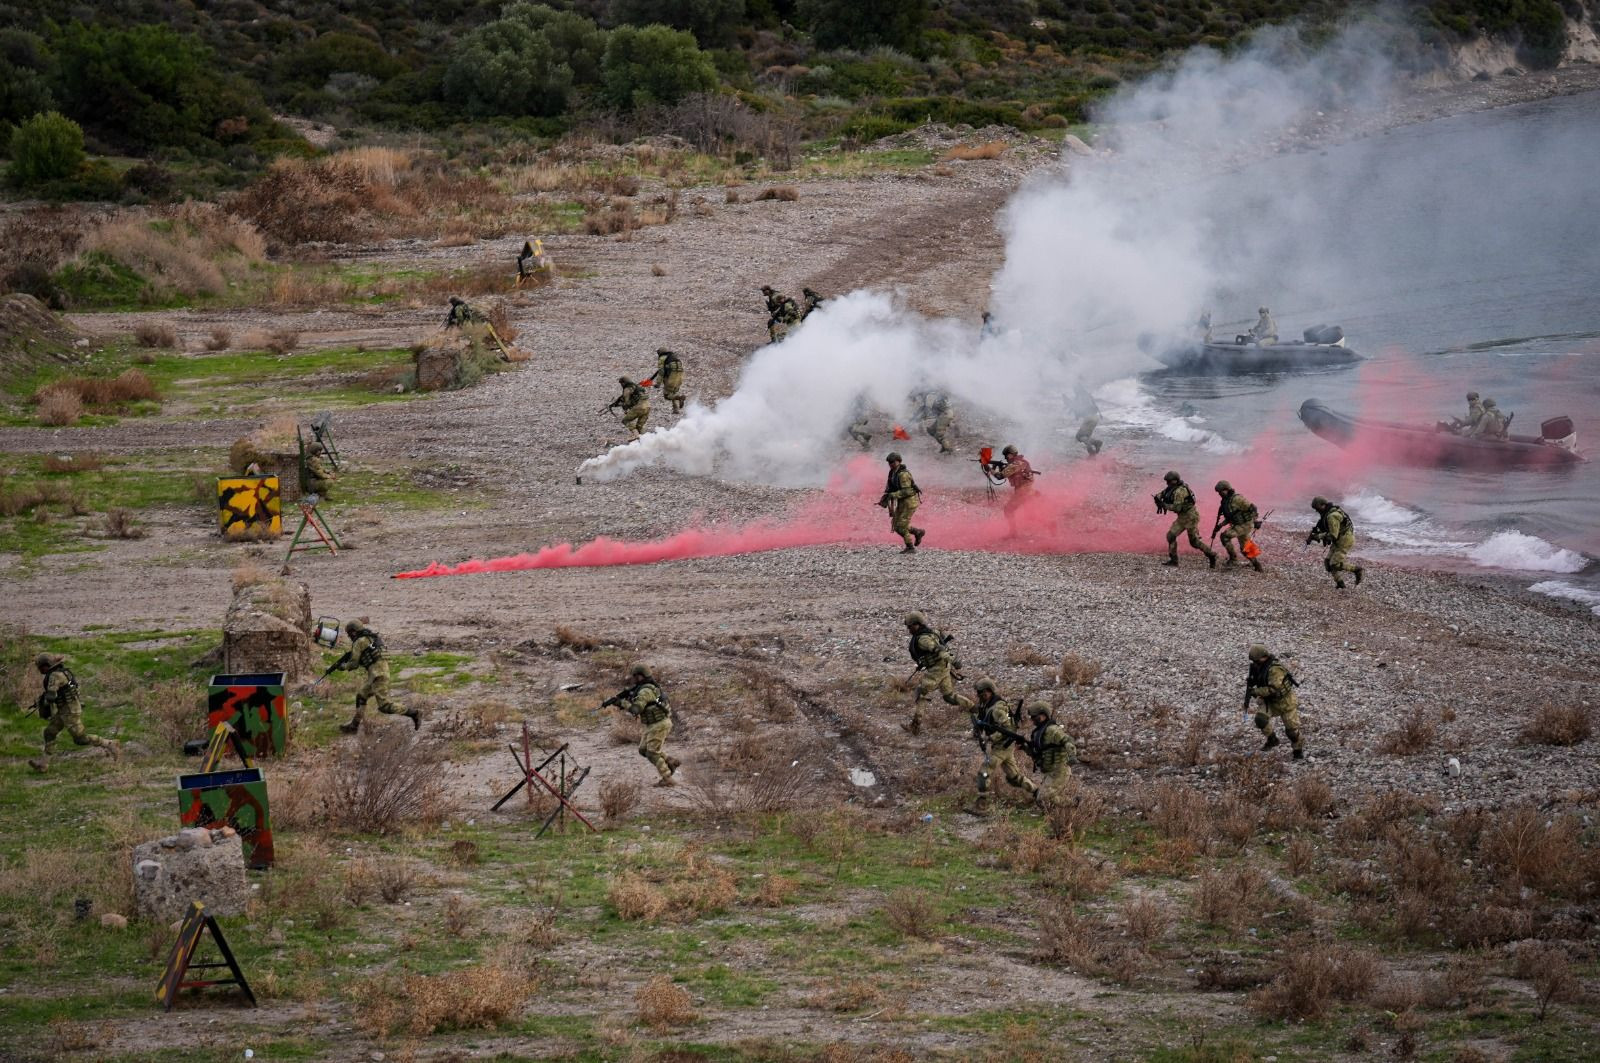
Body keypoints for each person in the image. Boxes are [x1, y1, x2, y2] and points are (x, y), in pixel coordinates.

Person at [28, 653, 117, 772]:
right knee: (49, 732)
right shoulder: (64, 671)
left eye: (40, 667)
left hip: (69, 711)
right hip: (66, 709)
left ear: (46, 666)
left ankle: (109, 744)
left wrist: (42, 703)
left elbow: (51, 696)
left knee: (80, 739)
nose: (39, 670)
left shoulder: (54, 676)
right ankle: (43, 764)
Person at [335, 620, 419, 733]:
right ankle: (354, 726)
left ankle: (414, 713)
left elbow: (354, 664)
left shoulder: (359, 642)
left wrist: (343, 667)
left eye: (349, 634)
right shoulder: (371, 637)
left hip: (377, 675)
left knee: (384, 706)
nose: (349, 636)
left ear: (353, 632)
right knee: (361, 696)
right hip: (379, 672)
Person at [967, 677, 1036, 812]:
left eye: (981, 693)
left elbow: (1008, 729)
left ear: (988, 691)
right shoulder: (986, 705)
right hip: (1003, 746)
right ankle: (1037, 792)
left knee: (983, 773)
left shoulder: (997, 709)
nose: (978, 695)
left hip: (1002, 747)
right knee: (1014, 777)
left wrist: (989, 738)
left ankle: (983, 805)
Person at [605, 665, 679, 786]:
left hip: (659, 724)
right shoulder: (644, 687)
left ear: (640, 676)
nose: (633, 679)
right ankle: (671, 761)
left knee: (652, 753)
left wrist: (621, 703)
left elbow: (635, 709)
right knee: (643, 750)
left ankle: (667, 778)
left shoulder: (645, 691)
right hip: (652, 724)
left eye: (635, 676)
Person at [902, 612, 969, 735]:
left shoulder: (923, 639)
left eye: (910, 626)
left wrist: (953, 661)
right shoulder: (931, 632)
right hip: (943, 668)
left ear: (917, 625)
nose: (909, 629)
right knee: (949, 697)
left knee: (921, 693)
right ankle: (973, 708)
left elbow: (939, 650)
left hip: (937, 670)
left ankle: (915, 726)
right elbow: (940, 645)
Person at [1246, 645, 1304, 760]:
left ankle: (1298, 751)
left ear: (1263, 657)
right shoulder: (1260, 666)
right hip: (1270, 702)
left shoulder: (1275, 669)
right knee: (1260, 720)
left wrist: (1256, 691)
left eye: (1256, 660)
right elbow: (1259, 680)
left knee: (1292, 732)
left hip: (1285, 702)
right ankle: (1272, 739)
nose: (1255, 663)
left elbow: (1273, 689)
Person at [1154, 471, 1218, 568]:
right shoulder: (1172, 488)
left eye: (1169, 481)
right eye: (1167, 482)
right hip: (1182, 517)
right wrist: (1157, 497)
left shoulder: (1180, 491)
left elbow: (1177, 507)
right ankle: (1174, 560)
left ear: (1175, 481)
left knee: (1194, 542)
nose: (1167, 483)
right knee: (1171, 536)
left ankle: (1212, 554)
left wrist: (1164, 505)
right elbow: (1163, 493)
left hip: (1191, 517)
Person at [1025, 701, 1075, 808]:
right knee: (1042, 798)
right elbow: (1036, 753)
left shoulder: (1052, 730)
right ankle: (1060, 810)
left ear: (1043, 716)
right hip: (1050, 773)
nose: (1032, 720)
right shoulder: (1039, 733)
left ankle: (1074, 804)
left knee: (1043, 798)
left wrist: (1072, 755)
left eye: (1035, 717)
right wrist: (1024, 748)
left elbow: (1067, 741)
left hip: (1060, 771)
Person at [1307, 496, 1363, 589]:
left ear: (1323, 505)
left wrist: (1318, 536)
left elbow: (1333, 535)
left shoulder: (1332, 516)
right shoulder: (1330, 512)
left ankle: (1357, 570)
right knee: (1328, 563)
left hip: (1345, 540)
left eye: (1317, 508)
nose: (1317, 511)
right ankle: (1340, 584)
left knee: (1334, 564)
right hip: (1339, 540)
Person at [879, 452, 925, 554]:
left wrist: (893, 495)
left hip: (909, 502)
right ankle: (918, 532)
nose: (891, 464)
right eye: (889, 462)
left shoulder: (903, 474)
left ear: (899, 461)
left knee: (901, 526)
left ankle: (910, 547)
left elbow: (907, 491)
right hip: (902, 501)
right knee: (895, 525)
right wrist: (886, 497)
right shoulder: (893, 473)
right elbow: (890, 488)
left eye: (893, 462)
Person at [1213, 480, 1263, 572]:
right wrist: (1220, 525)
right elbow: (1230, 517)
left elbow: (1252, 508)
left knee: (1225, 536)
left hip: (1245, 524)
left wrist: (1255, 521)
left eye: (1220, 491)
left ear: (1226, 490)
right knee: (1245, 548)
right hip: (1239, 524)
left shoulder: (1237, 499)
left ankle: (1233, 559)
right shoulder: (1226, 501)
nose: (1219, 494)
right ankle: (1257, 565)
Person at [994, 445, 1038, 537]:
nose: (1006, 458)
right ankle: (1050, 525)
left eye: (1006, 456)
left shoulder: (1015, 464)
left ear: (1010, 455)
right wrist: (1001, 467)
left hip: (1023, 492)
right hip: (1030, 491)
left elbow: (1000, 476)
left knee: (1008, 510)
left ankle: (1013, 533)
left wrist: (990, 470)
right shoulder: (1023, 462)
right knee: (1031, 514)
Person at [652, 348, 686, 415]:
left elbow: (661, 371)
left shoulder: (662, 358)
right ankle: (675, 409)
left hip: (672, 376)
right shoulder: (673, 357)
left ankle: (680, 398)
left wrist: (658, 383)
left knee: (667, 395)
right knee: (673, 392)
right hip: (680, 376)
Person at [1070, 386, 1102, 455]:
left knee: (1079, 436)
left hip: (1089, 418)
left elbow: (1080, 408)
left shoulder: (1080, 397)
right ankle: (1094, 446)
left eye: (1075, 390)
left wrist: (1077, 414)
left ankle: (1093, 447)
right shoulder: (1087, 395)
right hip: (1095, 417)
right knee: (1085, 436)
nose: (1074, 392)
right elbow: (1094, 405)